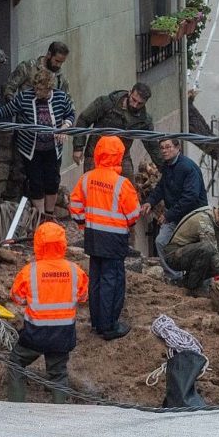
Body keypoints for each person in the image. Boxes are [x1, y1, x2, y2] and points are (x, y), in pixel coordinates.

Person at [7, 221, 89, 404]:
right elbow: (83, 296)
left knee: (16, 363)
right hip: (63, 334)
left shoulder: (30, 272)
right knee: (58, 373)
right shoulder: (75, 271)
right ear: (63, 244)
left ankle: (14, 409)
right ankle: (59, 414)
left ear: (37, 244)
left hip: (35, 333)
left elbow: (17, 298)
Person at [68, 135, 141, 341]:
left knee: (97, 279)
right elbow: (134, 214)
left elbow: (74, 205)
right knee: (113, 280)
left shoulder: (87, 178)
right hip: (115, 238)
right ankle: (109, 326)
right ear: (119, 155)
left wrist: (83, 223)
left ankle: (97, 322)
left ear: (98, 153)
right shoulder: (121, 183)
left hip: (92, 235)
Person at [0, 68, 75, 219]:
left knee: (52, 182)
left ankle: (49, 214)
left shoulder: (61, 97)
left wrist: (64, 127)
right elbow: (8, 109)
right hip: (32, 149)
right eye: (36, 88)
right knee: (36, 183)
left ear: (49, 89)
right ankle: (40, 217)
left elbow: (70, 114)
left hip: (53, 149)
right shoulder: (25, 97)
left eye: (41, 89)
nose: (37, 91)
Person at [72, 84, 164, 176]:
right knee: (95, 186)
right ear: (130, 92)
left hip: (122, 157)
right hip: (97, 155)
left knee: (128, 187)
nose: (135, 105)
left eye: (140, 103)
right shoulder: (107, 103)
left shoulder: (144, 120)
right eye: (134, 100)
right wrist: (78, 147)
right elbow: (84, 119)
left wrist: (165, 168)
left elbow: (152, 146)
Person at [158, 197, 219, 292]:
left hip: (187, 253)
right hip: (174, 255)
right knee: (207, 249)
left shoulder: (217, 222)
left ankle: (186, 282)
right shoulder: (205, 220)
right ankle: (192, 287)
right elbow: (213, 254)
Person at [140, 138, 208, 250]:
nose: (164, 151)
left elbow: (190, 197)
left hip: (192, 216)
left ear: (178, 147)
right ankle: (168, 268)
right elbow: (161, 187)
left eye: (168, 147)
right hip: (176, 216)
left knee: (187, 247)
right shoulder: (167, 165)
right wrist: (150, 202)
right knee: (161, 242)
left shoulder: (187, 167)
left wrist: (168, 215)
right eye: (162, 148)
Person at [4, 41, 70, 100]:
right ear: (49, 54)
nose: (58, 65)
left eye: (61, 62)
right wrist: (14, 106)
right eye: (57, 61)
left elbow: (67, 99)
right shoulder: (28, 67)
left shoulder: (60, 77)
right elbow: (8, 87)